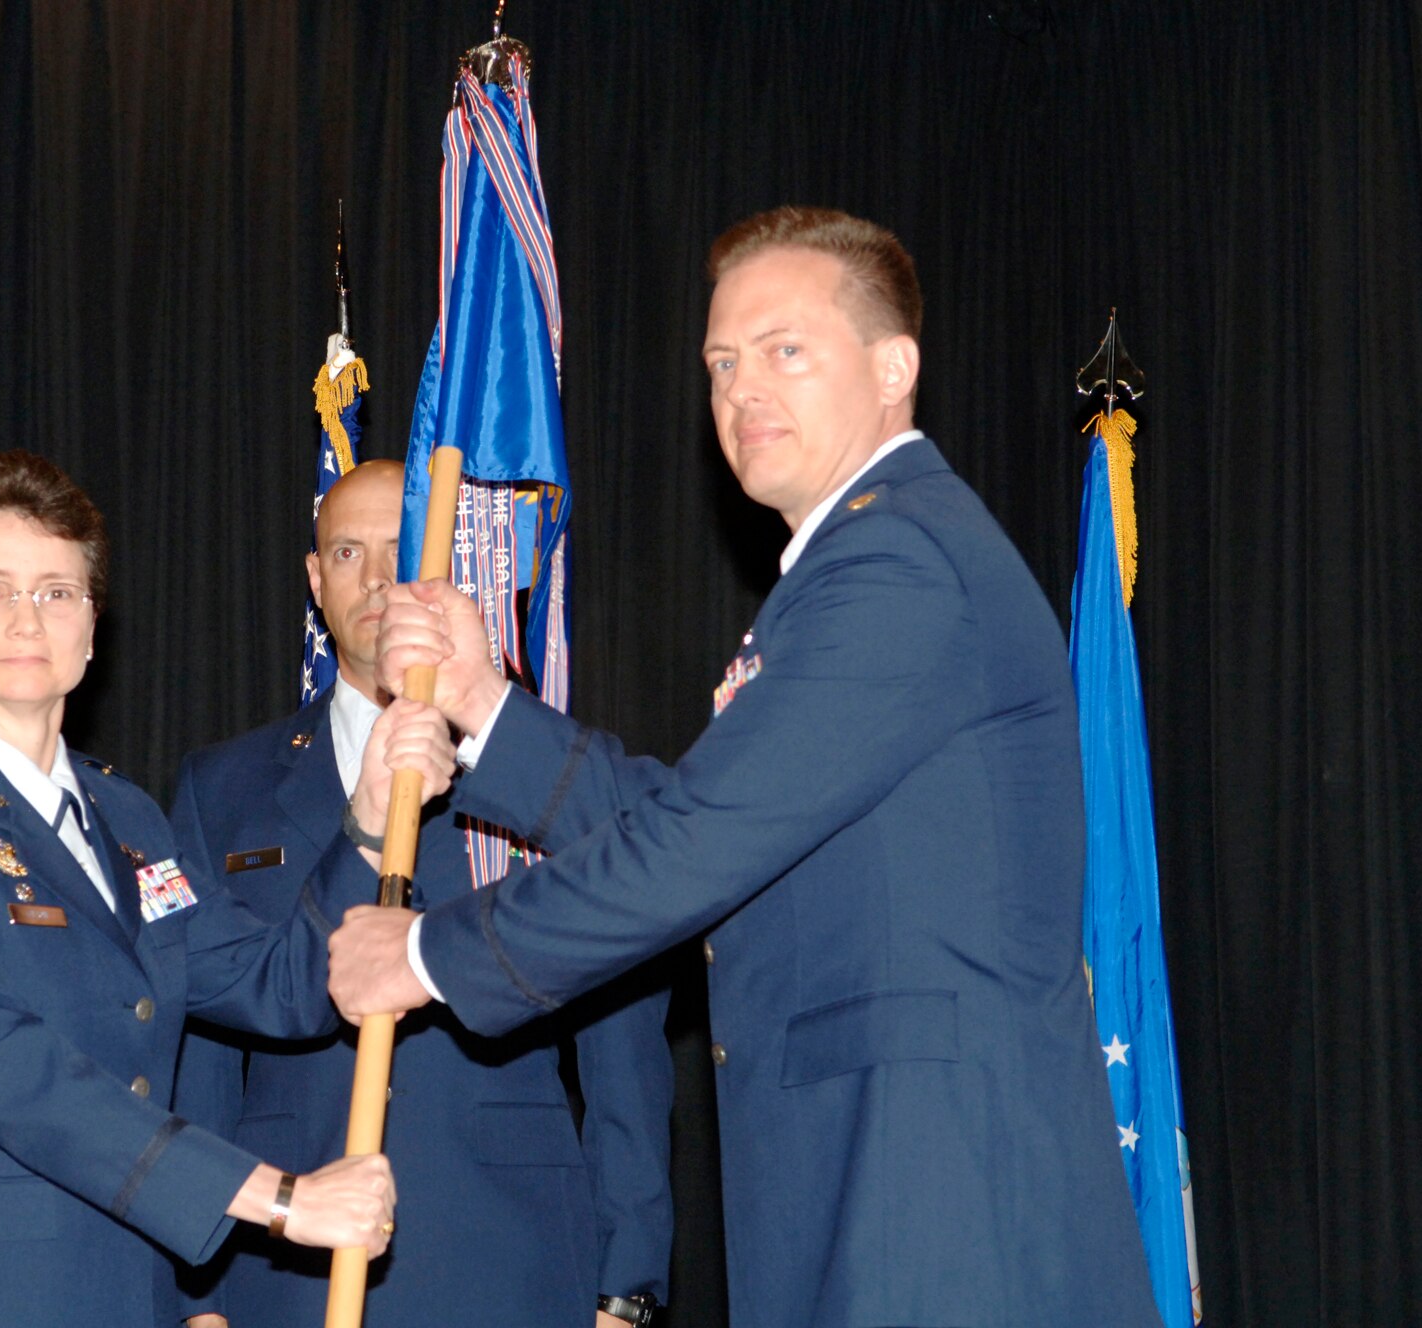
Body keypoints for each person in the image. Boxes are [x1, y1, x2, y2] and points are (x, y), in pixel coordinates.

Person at [327, 208, 1162, 1325]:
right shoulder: (852, 564)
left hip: (939, 1210)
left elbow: (696, 843)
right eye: (721, 361)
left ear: (892, 366)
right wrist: (485, 705)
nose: (740, 390)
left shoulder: (898, 558)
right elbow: (707, 822)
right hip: (869, 1189)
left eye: (785, 350)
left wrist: (426, 953)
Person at [0, 450, 456, 1328]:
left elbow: (281, 983)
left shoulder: (127, 818)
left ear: (92, 628)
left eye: (58, 592)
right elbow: (8, 1069)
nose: (27, 619)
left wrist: (370, 816)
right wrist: (274, 1196)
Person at [169, 459, 674, 1328]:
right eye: (346, 552)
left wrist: (624, 1286)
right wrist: (198, 1298)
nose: (372, 579)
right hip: (285, 1269)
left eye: (399, 552)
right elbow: (202, 1048)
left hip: (513, 1260)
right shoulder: (223, 787)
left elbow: (620, 1031)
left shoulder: (532, 767)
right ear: (314, 578)